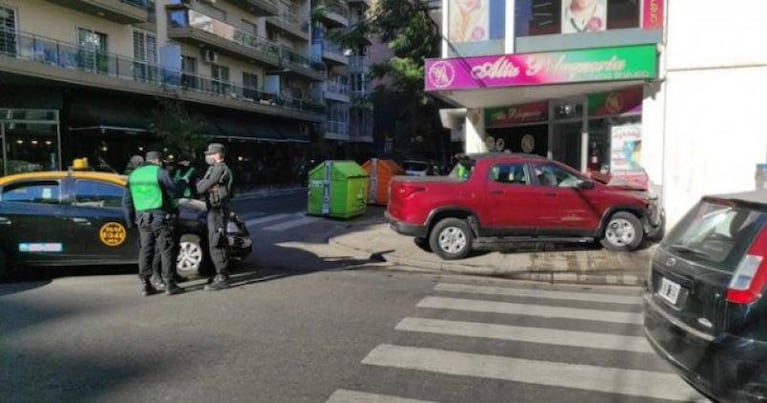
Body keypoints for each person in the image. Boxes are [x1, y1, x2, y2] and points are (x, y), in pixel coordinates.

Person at [123, 151, 184, 296]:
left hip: (142, 219)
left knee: (146, 249)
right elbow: (175, 191)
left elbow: (126, 201)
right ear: (157, 161)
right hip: (160, 216)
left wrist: (130, 221)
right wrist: (181, 183)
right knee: (166, 249)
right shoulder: (160, 172)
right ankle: (169, 284)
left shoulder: (133, 175)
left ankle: (146, 284)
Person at [196, 143, 234, 291]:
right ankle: (220, 273)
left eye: (210, 154)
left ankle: (222, 276)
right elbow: (202, 186)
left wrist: (205, 185)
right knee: (216, 240)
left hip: (218, 209)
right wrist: (205, 185)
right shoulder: (214, 169)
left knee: (216, 241)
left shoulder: (220, 169)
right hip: (214, 209)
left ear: (217, 155)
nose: (207, 157)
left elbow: (201, 187)